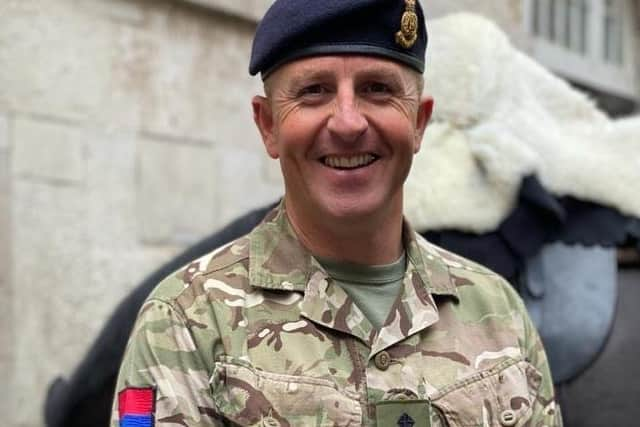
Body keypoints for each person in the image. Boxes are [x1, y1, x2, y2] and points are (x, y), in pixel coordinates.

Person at [111, 1, 562, 426]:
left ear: (419, 122)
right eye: (313, 91)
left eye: (378, 90)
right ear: (268, 125)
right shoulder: (187, 321)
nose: (348, 122)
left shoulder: (499, 312)